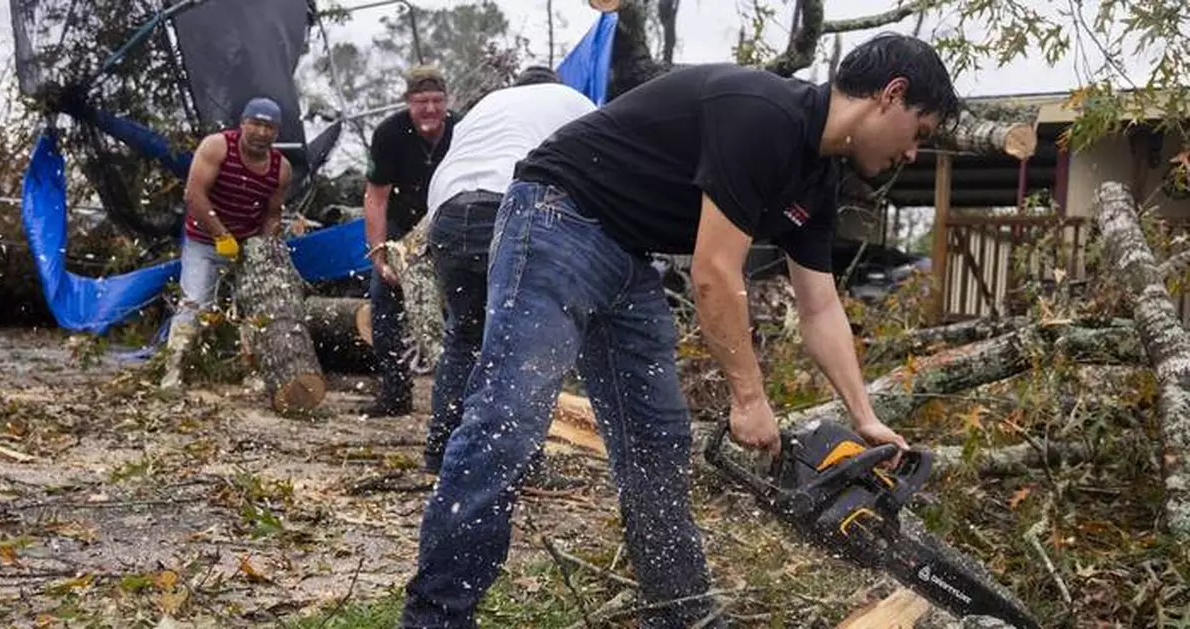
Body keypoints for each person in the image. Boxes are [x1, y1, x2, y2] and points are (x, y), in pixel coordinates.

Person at [399, 33, 962, 629]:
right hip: (558, 215)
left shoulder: (816, 181)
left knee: (657, 445)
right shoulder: (764, 114)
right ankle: (436, 616)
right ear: (891, 95)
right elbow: (715, 273)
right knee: (508, 420)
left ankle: (679, 613)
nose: (911, 155)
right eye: (919, 133)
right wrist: (749, 399)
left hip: (629, 253)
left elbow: (820, 307)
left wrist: (864, 414)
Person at [421, 66, 596, 486]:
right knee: (531, 339)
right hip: (506, 205)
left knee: (464, 335)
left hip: (446, 212)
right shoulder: (576, 103)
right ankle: (519, 462)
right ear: (555, 87)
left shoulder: (486, 106)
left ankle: (442, 452)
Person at [160, 97, 291, 391]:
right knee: (194, 302)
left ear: (276, 132)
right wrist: (220, 235)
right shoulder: (217, 146)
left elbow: (272, 213)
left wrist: (265, 248)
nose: (260, 132)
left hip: (248, 244)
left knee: (252, 309)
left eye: (268, 127)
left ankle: (251, 371)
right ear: (243, 123)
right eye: (255, 124)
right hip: (204, 241)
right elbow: (193, 195)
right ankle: (174, 369)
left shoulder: (280, 168)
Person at [362, 65, 461, 417]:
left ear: (447, 102)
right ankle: (394, 391)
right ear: (408, 102)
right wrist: (379, 253)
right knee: (384, 302)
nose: (430, 110)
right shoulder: (389, 133)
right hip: (402, 228)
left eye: (437, 101)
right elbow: (376, 197)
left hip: (452, 225)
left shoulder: (463, 130)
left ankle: (459, 391)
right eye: (422, 101)